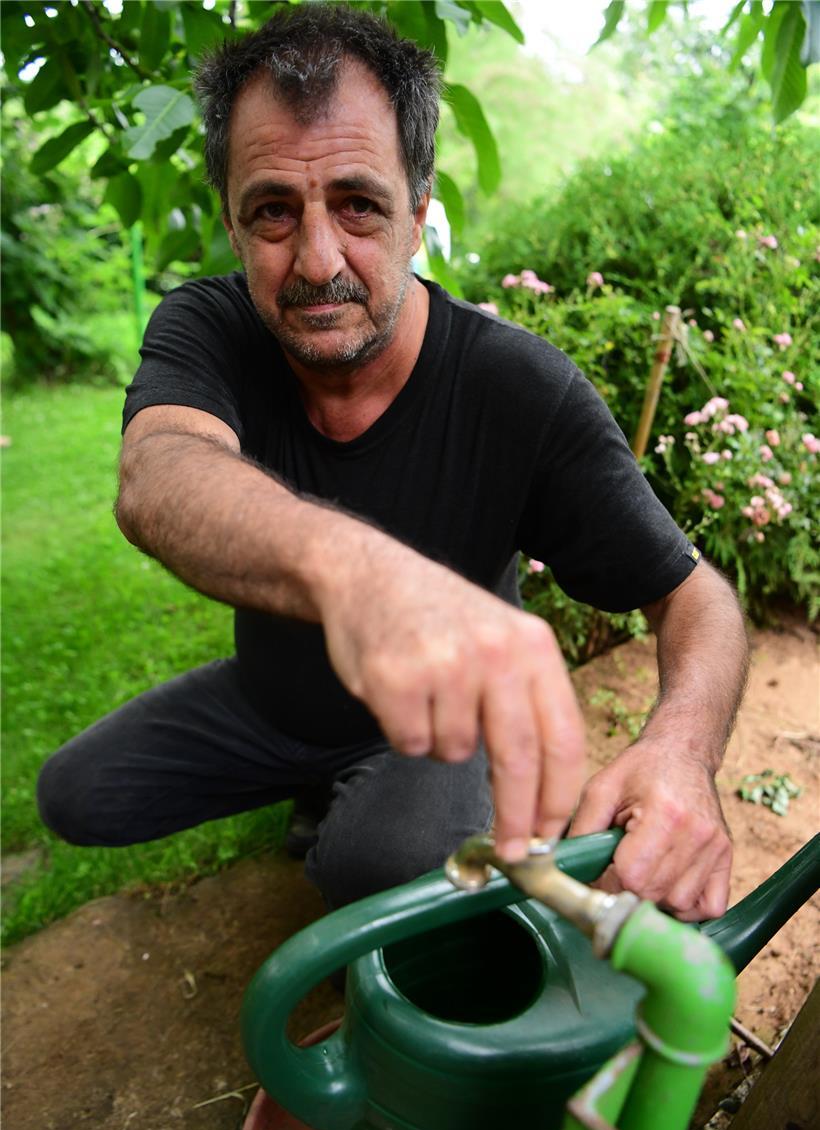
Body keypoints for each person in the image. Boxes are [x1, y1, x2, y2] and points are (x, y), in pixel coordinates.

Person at [38, 4, 748, 921]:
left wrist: (684, 747)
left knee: (375, 872)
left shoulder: (519, 389)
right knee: (76, 796)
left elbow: (697, 598)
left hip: (438, 731)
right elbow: (158, 473)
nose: (317, 259)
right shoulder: (210, 322)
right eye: (274, 212)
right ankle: (316, 787)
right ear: (232, 222)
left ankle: (362, 817)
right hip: (270, 706)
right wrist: (357, 571)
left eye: (359, 204)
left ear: (419, 211)